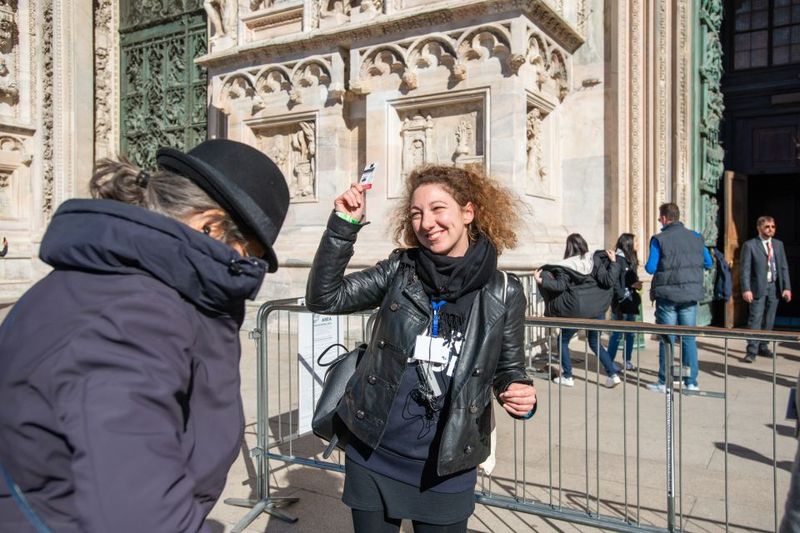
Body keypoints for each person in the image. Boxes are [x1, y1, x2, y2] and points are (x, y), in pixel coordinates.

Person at [0, 139, 290, 532]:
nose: (247, 268)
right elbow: (138, 516)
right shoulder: (138, 313)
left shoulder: (103, 281)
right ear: (209, 226)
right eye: (249, 253)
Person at [305, 165, 537, 533]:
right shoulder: (401, 269)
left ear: (468, 212)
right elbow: (324, 298)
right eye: (416, 213)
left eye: (438, 209)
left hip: (445, 467)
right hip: (372, 453)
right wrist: (342, 227)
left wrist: (518, 391)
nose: (426, 222)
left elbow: (510, 368)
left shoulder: (503, 291)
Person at [533, 233, 622, 388]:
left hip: (576, 312)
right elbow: (608, 280)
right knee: (595, 343)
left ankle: (568, 376)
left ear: (568, 248)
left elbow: (560, 286)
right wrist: (613, 262)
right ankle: (612, 374)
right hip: (596, 310)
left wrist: (540, 280)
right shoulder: (594, 260)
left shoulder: (565, 266)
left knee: (563, 341)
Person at [645, 202, 712, 393]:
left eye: (660, 218)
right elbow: (708, 262)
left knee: (667, 337)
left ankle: (665, 382)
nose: (660, 222)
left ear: (665, 218)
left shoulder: (659, 239)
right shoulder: (697, 238)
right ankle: (691, 382)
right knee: (688, 338)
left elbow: (650, 267)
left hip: (667, 296)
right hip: (690, 295)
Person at [740, 216, 792, 363]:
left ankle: (764, 346)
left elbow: (783, 267)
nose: (771, 229)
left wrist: (787, 287)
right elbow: (745, 270)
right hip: (758, 287)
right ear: (759, 228)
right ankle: (752, 351)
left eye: (773, 226)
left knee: (769, 320)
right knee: (755, 319)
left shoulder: (778, 245)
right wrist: (746, 289)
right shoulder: (750, 245)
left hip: (774, 287)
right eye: (767, 226)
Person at [607, 233, 642, 372]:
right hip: (621, 302)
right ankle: (609, 361)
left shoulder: (631, 259)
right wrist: (621, 295)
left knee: (630, 333)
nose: (638, 244)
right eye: (636, 241)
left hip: (631, 301)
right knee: (616, 333)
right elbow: (615, 281)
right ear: (628, 243)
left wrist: (636, 284)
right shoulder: (618, 259)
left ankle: (627, 360)